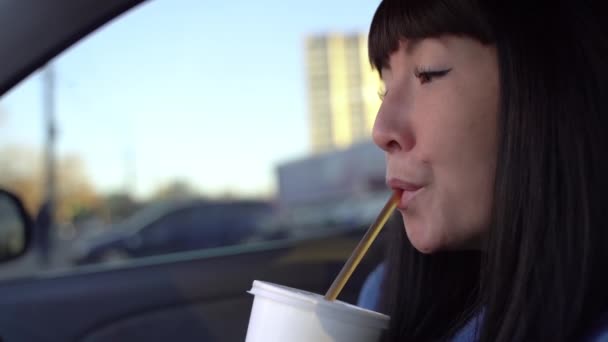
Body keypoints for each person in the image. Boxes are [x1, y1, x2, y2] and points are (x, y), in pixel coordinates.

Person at [359, 0, 608, 341]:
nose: (381, 129)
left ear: (551, 88)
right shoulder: (380, 297)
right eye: (383, 89)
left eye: (429, 73)